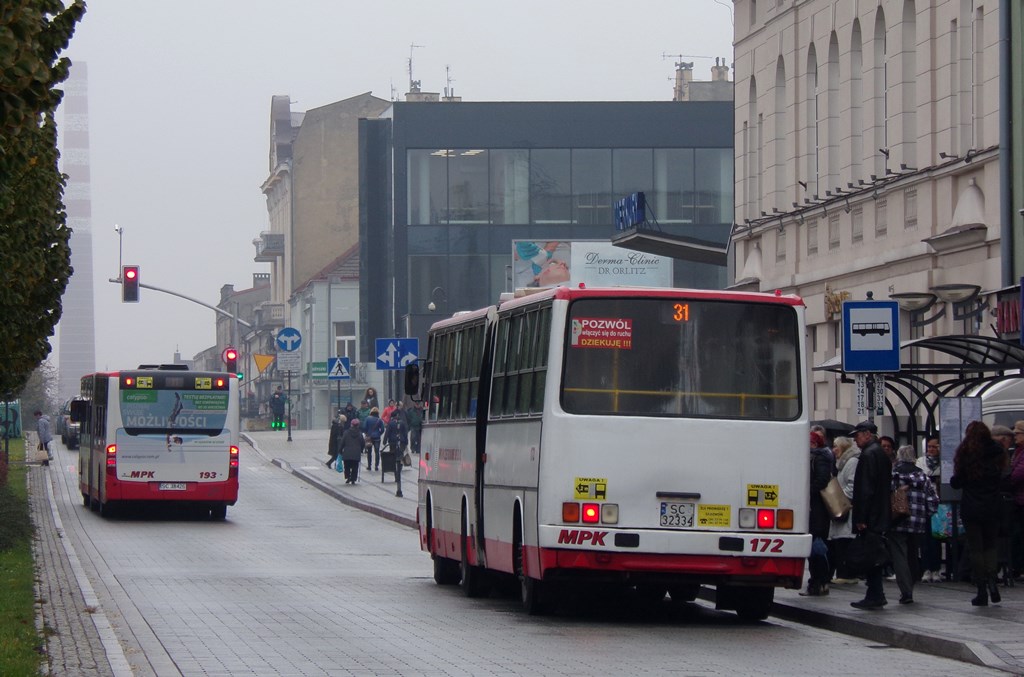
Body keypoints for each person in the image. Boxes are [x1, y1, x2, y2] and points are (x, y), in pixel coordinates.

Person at [950, 421, 1008, 606]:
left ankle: (981, 588)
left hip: (972, 507)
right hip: (993, 506)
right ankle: (992, 581)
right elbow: (1004, 476)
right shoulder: (997, 452)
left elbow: (956, 482)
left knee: (976, 548)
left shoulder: (966, 453)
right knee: (990, 546)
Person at [848, 420, 892, 610]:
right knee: (874, 555)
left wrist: (861, 519)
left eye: (857, 435)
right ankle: (875, 593)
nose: (855, 440)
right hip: (880, 512)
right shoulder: (881, 453)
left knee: (871, 556)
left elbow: (865, 489)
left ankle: (875, 594)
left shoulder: (868, 454)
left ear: (867, 434)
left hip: (871, 516)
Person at [888, 445, 939, 604]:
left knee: (899, 555)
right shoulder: (923, 477)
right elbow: (933, 500)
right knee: (913, 554)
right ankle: (911, 585)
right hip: (917, 523)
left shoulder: (894, 475)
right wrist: (925, 515)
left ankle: (906, 591)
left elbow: (886, 495)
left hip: (897, 520)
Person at [801, 430, 834, 596]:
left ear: (813, 444)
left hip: (817, 510)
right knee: (816, 546)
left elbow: (821, 480)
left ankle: (818, 582)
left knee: (816, 547)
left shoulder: (819, 458)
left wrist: (806, 491)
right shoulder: (818, 457)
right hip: (816, 510)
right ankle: (819, 581)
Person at [828, 436, 860, 584]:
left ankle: (846, 574)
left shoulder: (851, 462)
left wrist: (838, 497)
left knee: (845, 541)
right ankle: (843, 573)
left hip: (846, 507)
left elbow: (852, 486)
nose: (834, 449)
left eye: (836, 446)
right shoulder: (842, 463)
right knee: (840, 541)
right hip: (842, 506)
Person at [916, 435, 943, 581]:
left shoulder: (944, 462)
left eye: (935, 447)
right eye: (930, 447)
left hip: (940, 503)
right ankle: (926, 568)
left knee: (937, 537)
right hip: (924, 503)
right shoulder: (921, 461)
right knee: (925, 539)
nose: (931, 450)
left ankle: (936, 568)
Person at [1008, 421, 1024, 580]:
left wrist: (1008, 479)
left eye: (1018, 434)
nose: (1015, 437)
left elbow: (1018, 474)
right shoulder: (1018, 451)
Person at [385, 411, 409, 497]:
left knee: (394, 458)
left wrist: (384, 441)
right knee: (400, 457)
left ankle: (396, 474)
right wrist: (406, 442)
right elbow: (405, 433)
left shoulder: (391, 424)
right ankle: (399, 469)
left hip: (392, 443)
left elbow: (387, 432)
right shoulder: (402, 423)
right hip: (401, 443)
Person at [339, 418, 365, 484]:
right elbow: (362, 443)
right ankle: (353, 479)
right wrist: (361, 450)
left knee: (347, 466)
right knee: (355, 466)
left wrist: (340, 450)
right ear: (358, 425)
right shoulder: (360, 434)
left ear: (351, 425)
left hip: (347, 452)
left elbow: (342, 442)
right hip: (356, 453)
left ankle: (348, 477)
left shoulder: (346, 432)